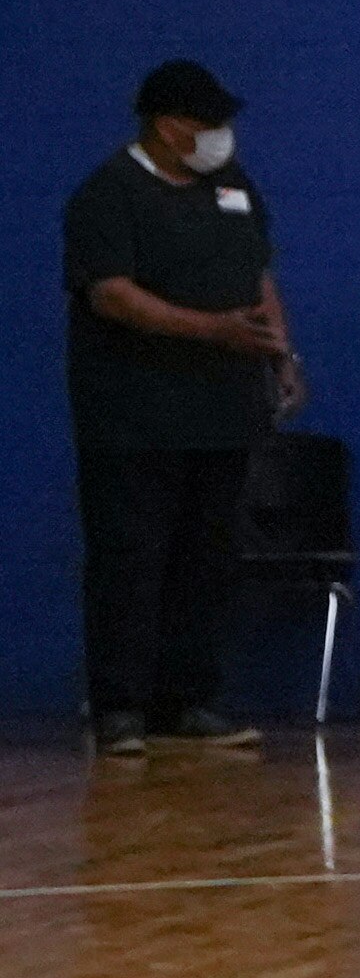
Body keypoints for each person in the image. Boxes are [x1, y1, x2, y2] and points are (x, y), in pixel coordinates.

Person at [64, 59, 300, 757]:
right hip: (134, 417)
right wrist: (210, 329)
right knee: (130, 559)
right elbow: (111, 293)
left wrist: (279, 351)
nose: (221, 136)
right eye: (208, 123)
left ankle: (189, 698)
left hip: (223, 412)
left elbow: (258, 273)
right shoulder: (108, 195)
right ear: (168, 127)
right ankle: (120, 707)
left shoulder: (232, 187)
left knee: (209, 558)